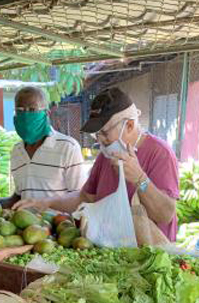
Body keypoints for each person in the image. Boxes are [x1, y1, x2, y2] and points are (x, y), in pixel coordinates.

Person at [15, 87, 180, 241]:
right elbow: (84, 197)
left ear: (129, 125)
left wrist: (140, 179)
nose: (100, 139)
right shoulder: (106, 155)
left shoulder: (159, 153)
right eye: (97, 134)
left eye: (104, 133)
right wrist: (45, 203)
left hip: (149, 259)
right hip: (113, 254)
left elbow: (166, 214)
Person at [0, 86, 86, 208]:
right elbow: (21, 195)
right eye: (20, 110)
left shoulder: (68, 148)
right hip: (25, 225)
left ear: (47, 113)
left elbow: (79, 196)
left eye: (32, 109)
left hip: (58, 225)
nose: (25, 115)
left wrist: (47, 204)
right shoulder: (16, 151)